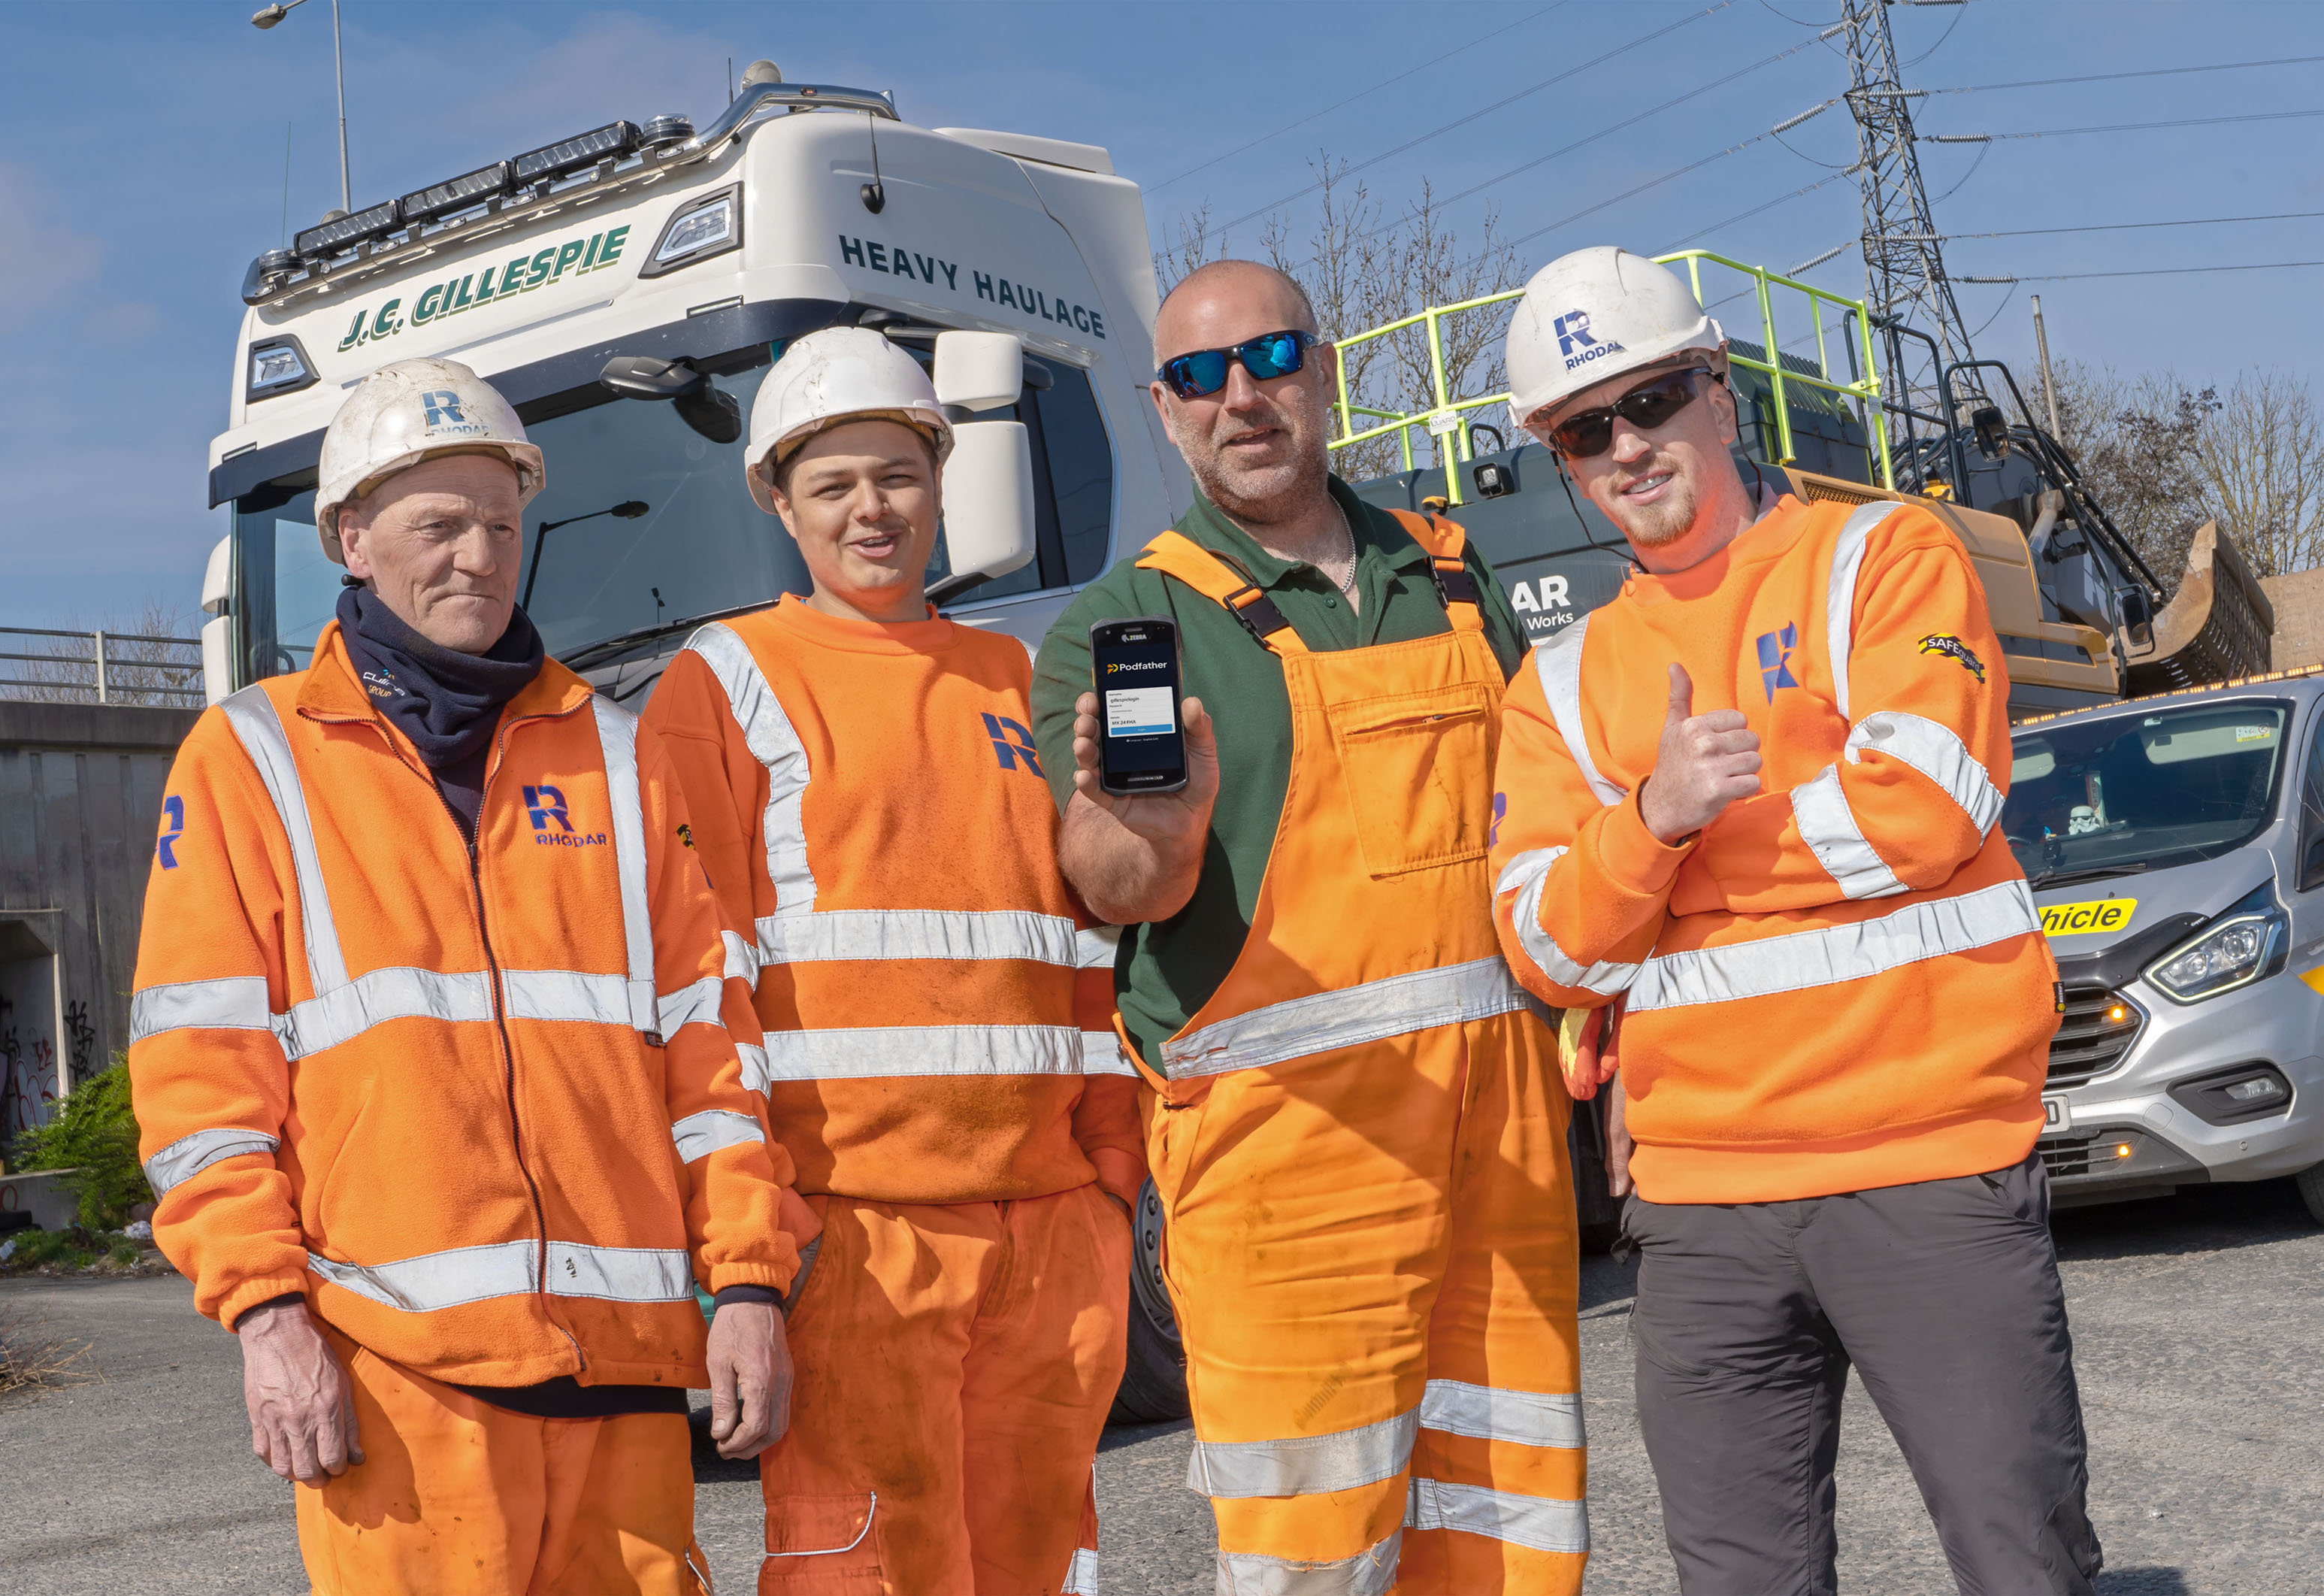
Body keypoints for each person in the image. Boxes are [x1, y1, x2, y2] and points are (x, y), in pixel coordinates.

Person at [129, 358, 797, 1594]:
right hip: (398, 1385)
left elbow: (710, 1050)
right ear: (350, 538)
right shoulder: (252, 759)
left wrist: (749, 1278)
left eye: (501, 522)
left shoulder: (615, 751)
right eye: (438, 525)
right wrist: (267, 1316)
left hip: (627, 1375)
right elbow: (198, 1079)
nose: (479, 556)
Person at [1487, 247, 2101, 1595]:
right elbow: (1542, 944)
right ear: (1557, 456)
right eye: (1584, 430)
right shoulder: (1562, 679)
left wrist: (1662, 870)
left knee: (2019, 1557)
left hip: (1927, 1161)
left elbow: (1927, 808)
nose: (1625, 447)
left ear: (1718, 391)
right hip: (1705, 1206)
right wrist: (1652, 816)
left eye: (1649, 402)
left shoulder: (1881, 553)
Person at [1031, 260, 1588, 1593]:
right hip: (1286, 1176)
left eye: (1270, 360)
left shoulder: (1454, 578)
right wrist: (1149, 825)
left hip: (1503, 1153)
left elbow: (1549, 831)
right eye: (1199, 377)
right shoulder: (1123, 627)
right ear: (1163, 409)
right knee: (1312, 1550)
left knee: (1511, 1525)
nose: (1240, 398)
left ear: (1322, 372)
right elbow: (1110, 885)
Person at [642, 326, 1142, 1594]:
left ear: (940, 476)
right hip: (855, 1238)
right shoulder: (723, 685)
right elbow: (703, 994)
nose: (872, 511)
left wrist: (1105, 1181)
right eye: (833, 485)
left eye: (898, 475)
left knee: (1044, 1561)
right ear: (779, 501)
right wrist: (749, 1257)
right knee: (865, 1574)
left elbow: (1082, 952)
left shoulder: (1019, 676)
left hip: (1046, 1230)